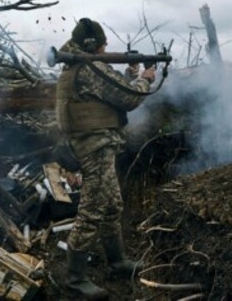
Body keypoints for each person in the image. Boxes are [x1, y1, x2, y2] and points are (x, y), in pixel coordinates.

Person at [55, 18, 156, 299]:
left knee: (112, 204)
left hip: (93, 144)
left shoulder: (76, 66)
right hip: (95, 146)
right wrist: (144, 80)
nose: (106, 47)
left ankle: (117, 261)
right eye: (102, 43)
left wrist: (128, 74)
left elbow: (106, 93)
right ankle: (75, 279)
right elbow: (128, 98)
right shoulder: (89, 67)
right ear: (92, 44)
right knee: (93, 210)